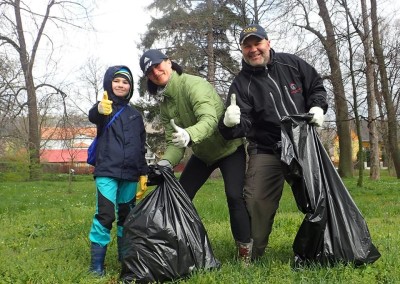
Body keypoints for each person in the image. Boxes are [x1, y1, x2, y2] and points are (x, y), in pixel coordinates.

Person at [218, 24, 328, 260]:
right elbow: (241, 124)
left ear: (267, 42)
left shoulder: (292, 64)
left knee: (320, 196)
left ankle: (326, 248)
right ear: (242, 49)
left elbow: (316, 86)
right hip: (266, 149)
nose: (253, 49)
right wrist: (229, 123)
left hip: (303, 144)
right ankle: (253, 253)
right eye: (247, 46)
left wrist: (318, 106)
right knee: (256, 201)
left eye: (257, 43)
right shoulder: (240, 84)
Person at [139, 49, 253, 263]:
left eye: (157, 65)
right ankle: (178, 246)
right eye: (150, 71)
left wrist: (189, 134)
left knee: (234, 196)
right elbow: (175, 143)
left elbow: (209, 119)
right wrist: (164, 164)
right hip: (202, 154)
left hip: (228, 149)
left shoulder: (193, 84)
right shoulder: (165, 104)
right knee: (180, 196)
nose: (156, 71)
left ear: (169, 62)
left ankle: (245, 250)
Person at [88, 65, 148, 276]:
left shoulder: (135, 115)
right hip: (107, 172)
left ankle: (126, 261)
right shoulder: (104, 108)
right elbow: (93, 115)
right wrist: (99, 109)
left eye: (126, 82)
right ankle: (96, 267)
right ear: (108, 83)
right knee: (104, 216)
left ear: (130, 87)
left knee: (127, 218)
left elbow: (141, 147)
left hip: (130, 174)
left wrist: (143, 172)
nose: (121, 85)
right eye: (117, 81)